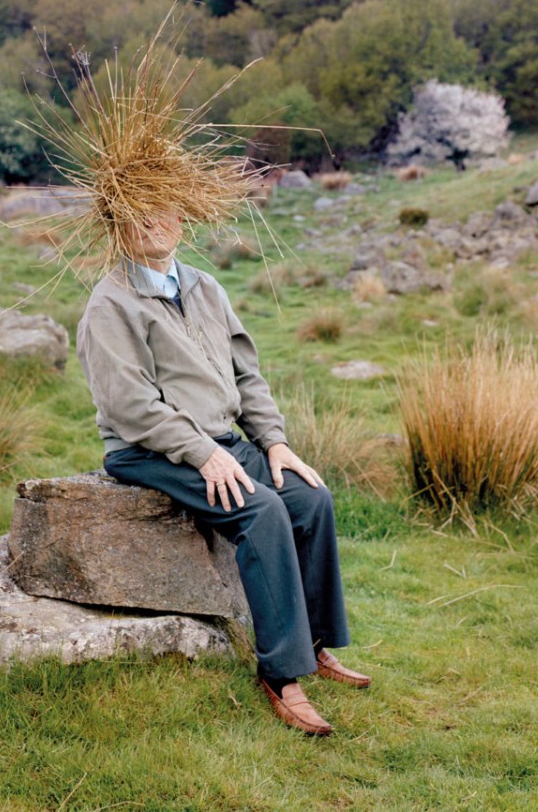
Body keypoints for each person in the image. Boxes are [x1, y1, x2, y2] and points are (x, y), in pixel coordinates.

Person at [76, 211, 369, 736]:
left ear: (181, 219)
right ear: (117, 225)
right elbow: (129, 406)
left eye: (162, 210)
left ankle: (315, 644)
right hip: (149, 450)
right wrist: (200, 453)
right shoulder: (109, 303)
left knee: (308, 497)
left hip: (223, 439)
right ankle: (282, 675)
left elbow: (246, 375)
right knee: (261, 511)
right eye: (136, 214)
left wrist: (274, 443)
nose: (152, 223)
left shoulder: (204, 286)